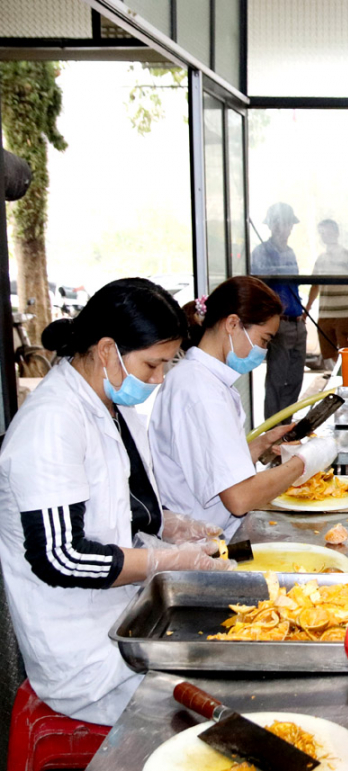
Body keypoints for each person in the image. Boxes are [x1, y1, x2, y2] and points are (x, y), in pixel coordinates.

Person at [0, 279, 234, 724]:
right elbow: (61, 558)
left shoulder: (108, 404)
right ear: (107, 349)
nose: (159, 379)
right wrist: (161, 563)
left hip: (124, 618)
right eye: (152, 365)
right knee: (230, 700)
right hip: (85, 659)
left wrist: (166, 524)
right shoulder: (51, 424)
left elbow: (110, 503)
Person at [150, 277, 339, 539]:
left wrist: (260, 445)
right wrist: (306, 460)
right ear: (232, 324)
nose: (263, 351)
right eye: (264, 340)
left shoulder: (207, 381)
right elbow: (239, 497)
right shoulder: (199, 391)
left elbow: (212, 467)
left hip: (216, 531)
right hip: (200, 543)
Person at [251, 202, 307, 418]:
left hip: (296, 321)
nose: (287, 229)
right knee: (277, 379)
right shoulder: (261, 253)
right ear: (273, 225)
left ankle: (286, 426)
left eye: (289, 224)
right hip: (278, 324)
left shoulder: (290, 253)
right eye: (283, 224)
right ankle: (272, 428)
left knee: (294, 379)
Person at [305, 219, 348, 371]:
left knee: (346, 351)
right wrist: (307, 309)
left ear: (336, 233)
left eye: (328, 231)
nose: (325, 235)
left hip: (344, 312)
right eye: (322, 233)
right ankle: (335, 380)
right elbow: (314, 285)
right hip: (325, 312)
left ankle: (346, 380)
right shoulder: (321, 259)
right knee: (327, 352)